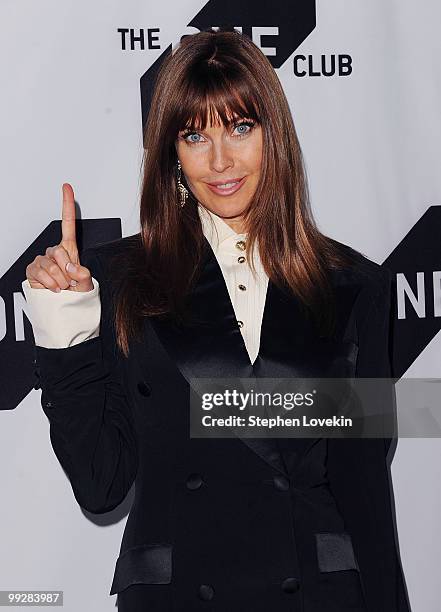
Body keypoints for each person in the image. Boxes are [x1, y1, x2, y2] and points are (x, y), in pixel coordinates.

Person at [22, 29, 411, 612]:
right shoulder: (118, 279)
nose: (220, 160)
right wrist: (66, 321)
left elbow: (365, 496)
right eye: (195, 135)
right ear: (170, 154)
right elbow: (102, 487)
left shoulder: (355, 287)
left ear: (272, 136)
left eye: (240, 127)